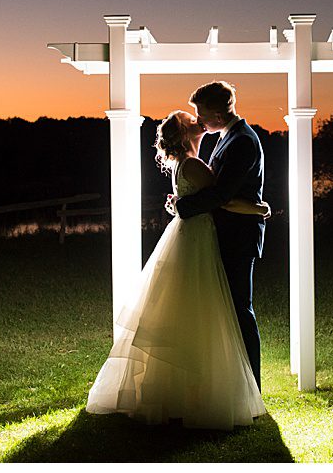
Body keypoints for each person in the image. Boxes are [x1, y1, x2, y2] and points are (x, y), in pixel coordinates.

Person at [85, 108, 268, 429]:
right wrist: (259, 207)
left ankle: (189, 387)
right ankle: (204, 390)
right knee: (205, 309)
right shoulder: (194, 164)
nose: (197, 121)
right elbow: (223, 199)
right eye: (189, 120)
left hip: (191, 236)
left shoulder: (186, 164)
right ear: (185, 134)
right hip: (197, 240)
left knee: (187, 310)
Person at [168, 80, 266, 391]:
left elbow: (221, 194)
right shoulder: (228, 136)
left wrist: (182, 206)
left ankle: (252, 387)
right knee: (226, 310)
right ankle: (230, 382)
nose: (197, 119)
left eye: (200, 113)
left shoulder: (242, 142)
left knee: (240, 309)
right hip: (222, 234)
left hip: (238, 238)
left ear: (218, 116)